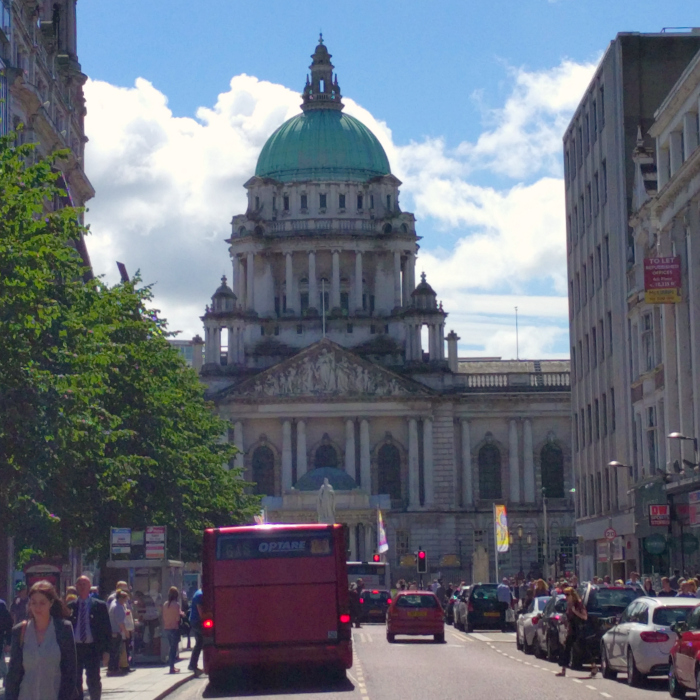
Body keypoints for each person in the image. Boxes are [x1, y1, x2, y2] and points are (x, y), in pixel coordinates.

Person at [4, 580, 77, 700]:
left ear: (51, 603)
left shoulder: (63, 629)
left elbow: (70, 673)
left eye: (42, 603)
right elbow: (13, 675)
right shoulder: (20, 631)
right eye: (33, 602)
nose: (37, 607)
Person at [68, 575, 111, 700]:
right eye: (79, 584)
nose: (82, 587)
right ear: (76, 587)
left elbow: (106, 629)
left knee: (93, 678)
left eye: (84, 584)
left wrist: (106, 650)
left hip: (92, 647)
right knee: (76, 679)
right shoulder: (71, 606)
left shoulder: (99, 606)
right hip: (76, 648)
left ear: (89, 587)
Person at [556, 587, 597, 678]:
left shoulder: (578, 604)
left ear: (572, 595)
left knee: (583, 648)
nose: (566, 597)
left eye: (567, 594)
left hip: (579, 629)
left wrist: (575, 612)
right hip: (572, 629)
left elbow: (585, 617)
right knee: (567, 648)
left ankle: (594, 666)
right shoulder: (568, 605)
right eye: (565, 594)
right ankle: (563, 670)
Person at [107, 591, 128, 676]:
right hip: (116, 631)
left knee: (113, 650)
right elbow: (120, 622)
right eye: (125, 599)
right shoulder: (118, 607)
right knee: (116, 651)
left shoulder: (113, 603)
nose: (125, 602)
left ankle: (112, 668)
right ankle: (113, 668)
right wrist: (126, 632)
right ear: (121, 598)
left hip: (112, 630)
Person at [162, 587, 182, 674]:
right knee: (173, 649)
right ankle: (171, 667)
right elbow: (177, 618)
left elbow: (164, 616)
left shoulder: (165, 604)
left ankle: (172, 666)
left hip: (167, 628)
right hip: (174, 628)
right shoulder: (176, 605)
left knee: (171, 647)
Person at [187, 587, 204, 678]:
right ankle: (192, 664)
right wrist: (204, 618)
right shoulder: (200, 595)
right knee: (200, 642)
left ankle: (193, 664)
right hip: (197, 621)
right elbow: (199, 608)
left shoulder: (198, 592)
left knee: (199, 642)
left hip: (194, 621)